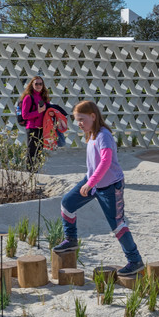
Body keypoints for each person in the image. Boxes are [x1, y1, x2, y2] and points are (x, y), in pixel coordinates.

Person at [54, 100, 144, 277]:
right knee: (67, 204)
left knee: (117, 225)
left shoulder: (104, 135)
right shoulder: (92, 135)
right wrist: (90, 181)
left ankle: (135, 260)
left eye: (81, 119)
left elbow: (106, 161)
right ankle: (71, 239)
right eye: (76, 120)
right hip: (93, 182)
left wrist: (90, 183)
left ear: (93, 116)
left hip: (110, 186)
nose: (79, 123)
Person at [19, 74, 49, 170]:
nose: (39, 86)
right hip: (32, 128)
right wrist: (38, 112)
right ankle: (29, 173)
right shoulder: (28, 97)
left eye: (40, 84)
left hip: (42, 128)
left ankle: (35, 172)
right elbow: (25, 115)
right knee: (31, 152)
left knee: (39, 151)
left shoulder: (44, 97)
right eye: (36, 84)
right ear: (32, 85)